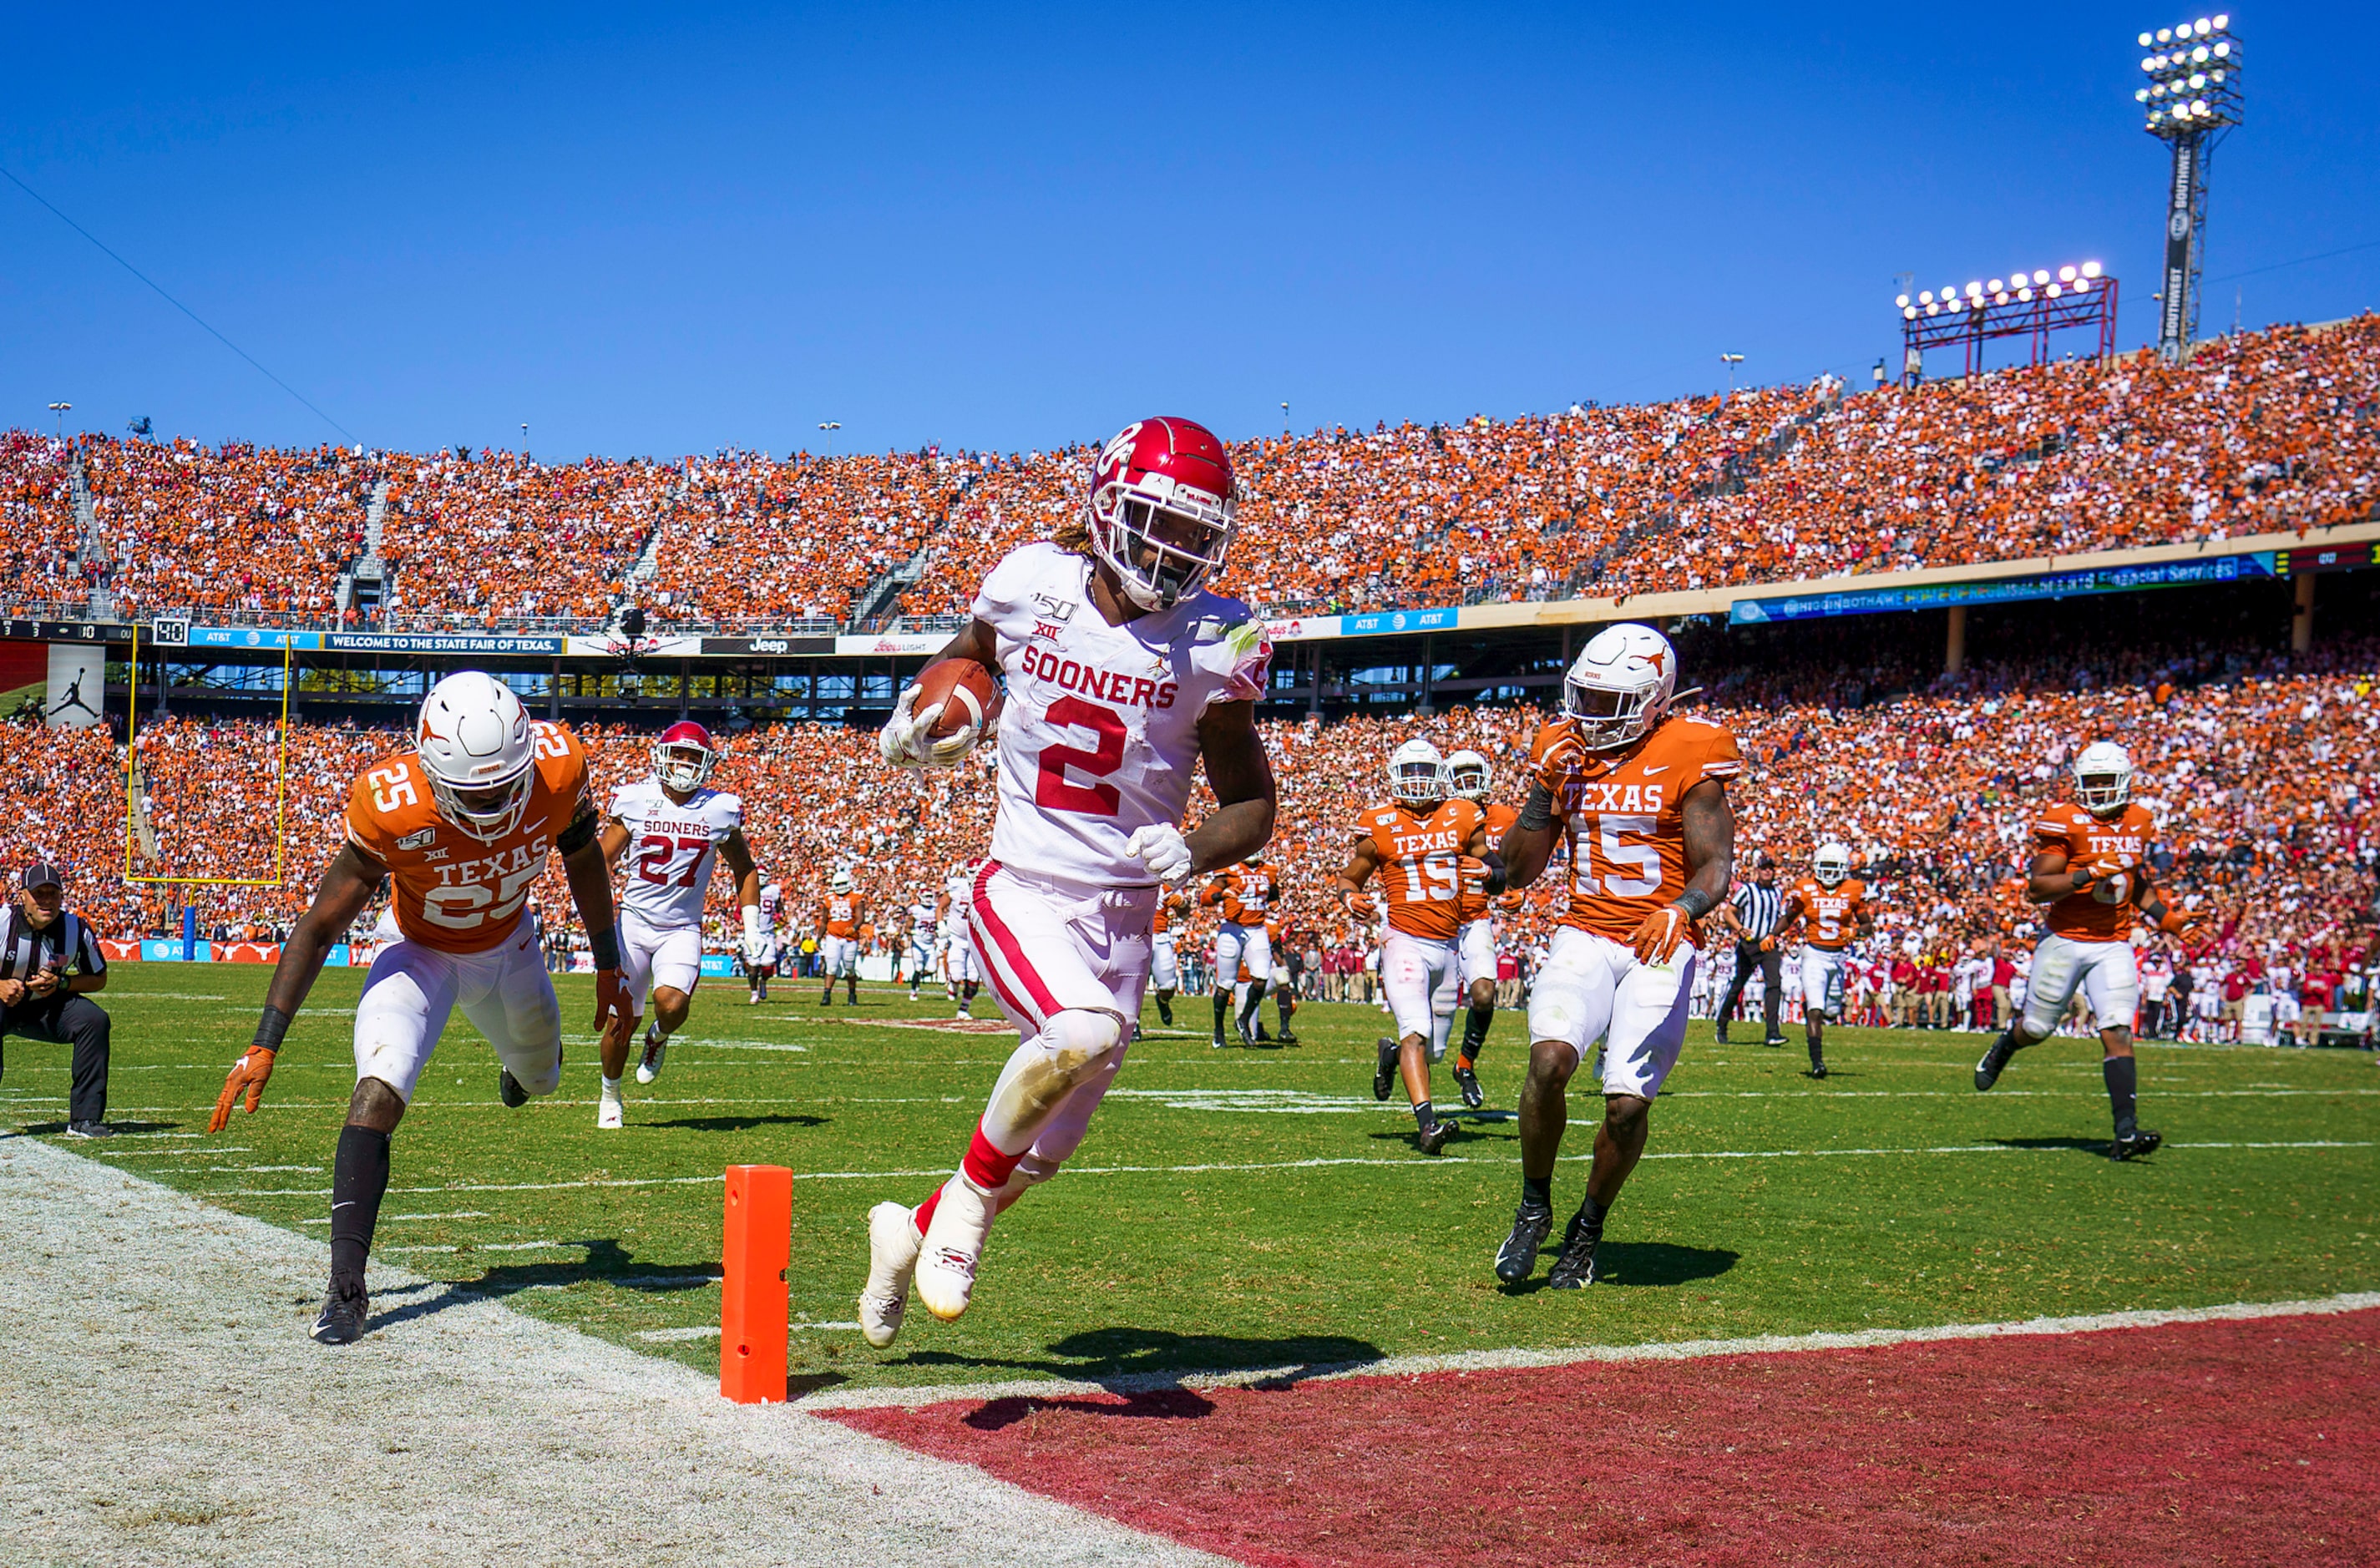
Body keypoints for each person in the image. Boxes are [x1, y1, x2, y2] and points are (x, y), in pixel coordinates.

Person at [856, 415, 1276, 1347]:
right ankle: (962, 1209)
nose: (1171, 552)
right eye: (1155, 523)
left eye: (1195, 535)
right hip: (1026, 883)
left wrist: (1195, 849)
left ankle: (905, 1234)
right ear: (1104, 505)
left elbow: (1253, 805)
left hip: (1125, 918)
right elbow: (969, 653)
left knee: (1038, 1156)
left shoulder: (1219, 640)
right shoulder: (1028, 580)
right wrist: (925, 710)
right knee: (1074, 1035)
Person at [207, 671, 628, 1344]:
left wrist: (609, 963)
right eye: (473, 790)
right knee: (378, 1089)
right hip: (419, 951)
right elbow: (319, 925)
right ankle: (346, 1289)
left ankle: (521, 1073)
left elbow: (582, 859)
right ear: (432, 771)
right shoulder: (390, 803)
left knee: (544, 1077)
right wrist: (266, 1040)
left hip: (511, 946)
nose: (491, 801)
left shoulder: (559, 766)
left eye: (502, 785)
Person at [1494, 623, 1739, 1288]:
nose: (1590, 715)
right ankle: (1534, 1206)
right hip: (1586, 932)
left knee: (1627, 1106)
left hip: (1659, 936)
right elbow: (1516, 872)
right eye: (1587, 697)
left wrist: (1682, 908)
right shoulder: (1564, 748)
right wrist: (1544, 788)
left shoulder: (1691, 747)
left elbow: (1717, 865)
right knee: (1549, 1061)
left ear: (1656, 698)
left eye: (1610, 701)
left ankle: (1588, 1226)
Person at [1973, 741, 2202, 1161]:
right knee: (2038, 1029)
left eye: (2105, 782)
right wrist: (2088, 871)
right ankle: (2007, 1043)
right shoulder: (2065, 820)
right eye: (2090, 783)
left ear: (2123, 782)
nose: (2097, 791)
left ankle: (2126, 1133)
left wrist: (2163, 917)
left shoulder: (2138, 820)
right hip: (2065, 938)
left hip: (2113, 942)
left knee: (2118, 1030)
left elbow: (2133, 880)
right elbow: (2038, 888)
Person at [594, 720, 764, 1127]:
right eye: (680, 755)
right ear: (662, 758)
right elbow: (602, 859)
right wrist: (598, 917)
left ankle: (659, 1037)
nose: (686, 764)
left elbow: (745, 868)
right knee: (621, 1021)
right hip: (633, 923)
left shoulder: (720, 808)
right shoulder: (635, 800)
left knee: (672, 1006)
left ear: (707, 763)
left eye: (694, 757)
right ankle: (610, 1095)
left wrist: (752, 926)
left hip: (682, 927)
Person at [1337, 738, 1503, 1153]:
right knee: (1416, 1030)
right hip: (1403, 940)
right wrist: (1349, 898)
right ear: (1394, 777)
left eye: (1424, 772)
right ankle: (1427, 1125)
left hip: (1448, 943)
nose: (1416, 781)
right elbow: (1350, 877)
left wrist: (1487, 872)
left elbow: (1499, 871)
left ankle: (1390, 1056)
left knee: (1433, 1053)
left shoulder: (1463, 814)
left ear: (1439, 775)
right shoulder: (1379, 823)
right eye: (1408, 772)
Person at [0, 862, 114, 1137]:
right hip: (2, 1006)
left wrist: (63, 982)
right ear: (23, 896)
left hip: (45, 1009)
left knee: (94, 1021)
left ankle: (85, 1120)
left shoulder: (75, 928)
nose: (47, 901)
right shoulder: (2, 921)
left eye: (53, 893)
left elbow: (98, 977)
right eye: (39, 893)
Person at [1446, 748, 1518, 1107]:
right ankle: (1394, 1055)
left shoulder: (1504, 816)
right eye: (1462, 775)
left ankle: (1465, 1065)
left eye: (1475, 774)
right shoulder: (1438, 816)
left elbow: (1514, 865)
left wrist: (1516, 888)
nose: (1469, 782)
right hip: (1434, 922)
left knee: (1485, 993)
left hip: (1475, 919)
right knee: (1428, 1031)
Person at [1770, 842, 1870, 1080]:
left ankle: (1822, 1011)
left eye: (1833, 867)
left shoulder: (1854, 889)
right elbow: (1790, 916)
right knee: (1815, 1010)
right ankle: (1817, 1063)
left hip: (1839, 958)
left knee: (1833, 1011)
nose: (1829, 872)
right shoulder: (1804, 888)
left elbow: (1868, 925)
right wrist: (1773, 935)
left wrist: (1855, 932)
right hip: (1813, 954)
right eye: (1824, 866)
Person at [1200, 855, 1279, 1047]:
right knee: (1225, 985)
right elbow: (1205, 898)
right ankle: (1219, 1032)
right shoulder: (1229, 869)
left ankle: (1243, 1020)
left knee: (1261, 978)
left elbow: (1274, 894)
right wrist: (1223, 894)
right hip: (1232, 929)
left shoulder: (1270, 870)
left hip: (1257, 928)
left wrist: (1274, 903)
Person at [1714, 854, 1788, 1048]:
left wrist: (1775, 933)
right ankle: (1722, 1023)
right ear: (1758, 871)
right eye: (1765, 868)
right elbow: (1729, 912)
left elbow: (1781, 917)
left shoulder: (1777, 893)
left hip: (1768, 943)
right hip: (1749, 944)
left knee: (1774, 984)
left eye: (1771, 868)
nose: (1768, 871)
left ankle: (1773, 1032)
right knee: (1739, 985)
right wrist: (1739, 928)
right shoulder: (1747, 890)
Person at [816, 867, 868, 1006]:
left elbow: (861, 917)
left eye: (842, 883)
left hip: (850, 939)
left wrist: (855, 928)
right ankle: (826, 995)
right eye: (838, 884)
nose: (840, 887)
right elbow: (825, 920)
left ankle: (852, 994)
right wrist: (819, 938)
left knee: (849, 968)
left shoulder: (856, 898)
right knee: (831, 967)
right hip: (833, 937)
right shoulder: (828, 898)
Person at [1149, 889, 1190, 1026]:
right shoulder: (1130, 877)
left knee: (1168, 987)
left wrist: (1183, 904)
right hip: (1133, 936)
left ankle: (1162, 1002)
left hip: (1161, 937)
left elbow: (1185, 916)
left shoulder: (1168, 883)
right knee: (1133, 984)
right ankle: (1134, 1024)